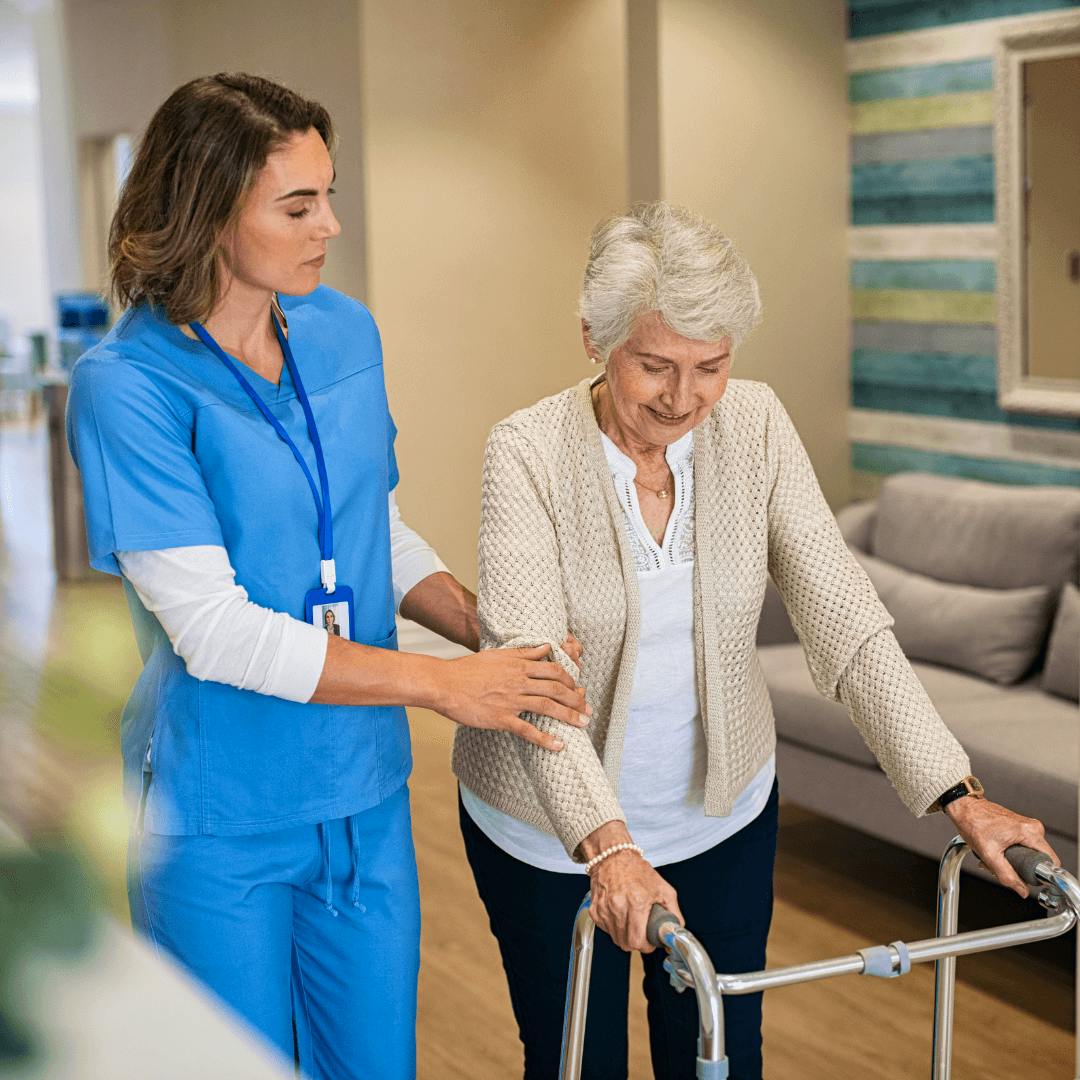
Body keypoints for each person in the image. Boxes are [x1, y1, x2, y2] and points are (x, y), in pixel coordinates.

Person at [451, 202, 1058, 1080]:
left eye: (711, 367)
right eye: (654, 365)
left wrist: (960, 793)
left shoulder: (759, 427)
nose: (684, 398)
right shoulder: (527, 452)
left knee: (721, 1059)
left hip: (720, 815)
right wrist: (610, 844)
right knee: (578, 1061)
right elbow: (538, 678)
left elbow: (846, 620)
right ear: (593, 338)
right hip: (550, 831)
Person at [65, 73, 589, 1080]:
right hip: (218, 814)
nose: (330, 226)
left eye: (329, 194)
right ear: (209, 210)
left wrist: (481, 629)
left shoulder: (345, 330)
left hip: (362, 796)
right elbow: (212, 628)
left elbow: (368, 527)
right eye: (298, 205)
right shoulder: (125, 388)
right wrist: (445, 684)